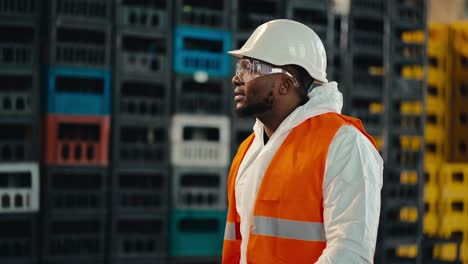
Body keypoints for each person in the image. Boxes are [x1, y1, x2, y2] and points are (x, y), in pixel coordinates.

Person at [222, 19, 383, 264]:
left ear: (285, 84)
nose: (237, 78)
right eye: (239, 68)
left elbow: (350, 254)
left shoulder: (344, 144)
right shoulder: (248, 151)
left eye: (250, 67)